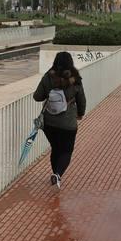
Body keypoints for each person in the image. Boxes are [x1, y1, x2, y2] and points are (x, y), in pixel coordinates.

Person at [32, 51, 87, 188]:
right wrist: (80, 113)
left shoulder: (48, 77)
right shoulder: (75, 79)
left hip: (49, 123)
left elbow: (37, 96)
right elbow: (81, 100)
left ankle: (55, 173)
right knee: (66, 150)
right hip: (68, 123)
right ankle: (57, 174)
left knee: (56, 148)